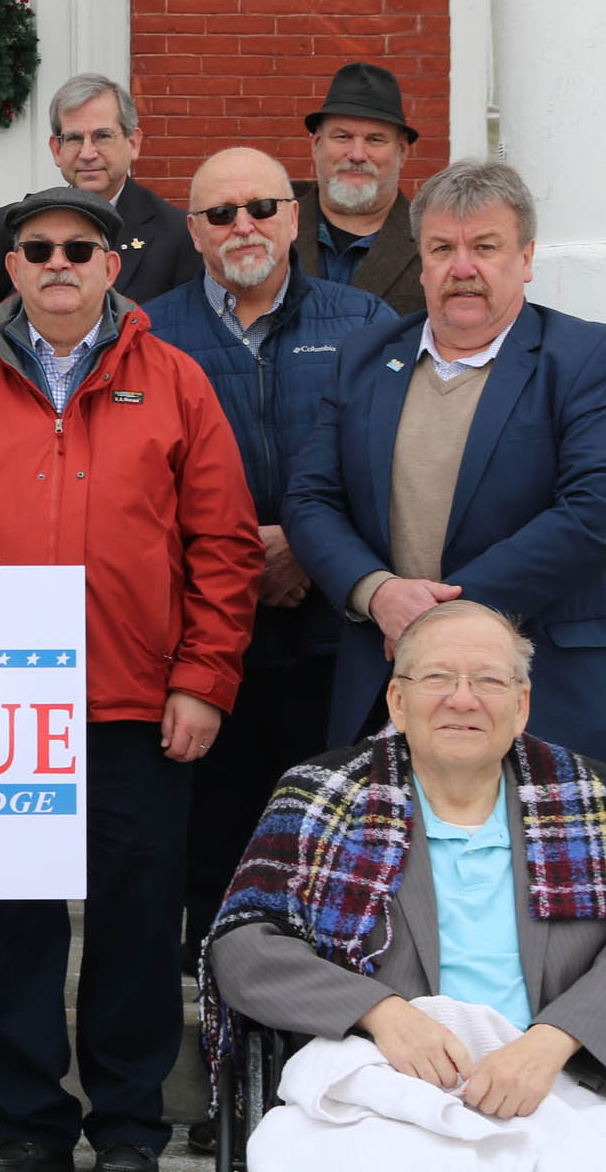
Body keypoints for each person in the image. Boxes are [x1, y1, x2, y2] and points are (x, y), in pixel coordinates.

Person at [0, 185, 260, 1172]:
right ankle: (28, 1125)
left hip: (137, 703)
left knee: (136, 922)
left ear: (111, 266)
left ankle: (129, 1126)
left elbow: (224, 544)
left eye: (79, 248)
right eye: (39, 248)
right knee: (8, 924)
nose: (59, 262)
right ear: (12, 267)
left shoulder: (174, 380)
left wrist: (203, 679)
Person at [201, 602, 606, 1170]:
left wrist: (553, 1041)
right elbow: (246, 945)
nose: (463, 700)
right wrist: (381, 1013)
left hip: (558, 1075)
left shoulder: (594, 797)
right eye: (437, 677)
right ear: (398, 701)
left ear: (520, 705)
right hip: (376, 1076)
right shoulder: (323, 794)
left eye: (489, 680)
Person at [282, 159, 606, 771]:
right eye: (442, 248)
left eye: (485, 246)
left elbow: (598, 512)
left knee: (541, 841)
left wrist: (436, 619)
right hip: (392, 688)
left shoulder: (590, 357)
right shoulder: (365, 357)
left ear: (526, 257)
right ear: (422, 261)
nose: (462, 268)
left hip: (547, 693)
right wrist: (378, 593)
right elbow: (310, 499)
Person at [141, 148, 396, 994]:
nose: (242, 226)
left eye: (261, 208)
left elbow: (389, 461)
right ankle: (219, 995)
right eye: (220, 214)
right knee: (213, 837)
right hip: (206, 637)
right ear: (194, 232)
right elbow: (134, 485)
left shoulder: (363, 320)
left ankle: (331, 995)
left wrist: (310, 551)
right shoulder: (147, 332)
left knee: (327, 830)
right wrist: (239, 559)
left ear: (294, 218)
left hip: (331, 632)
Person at [0, 74, 199, 320]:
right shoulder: (1, 229)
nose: (87, 153)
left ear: (133, 143)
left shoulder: (178, 235)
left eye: (102, 136)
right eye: (74, 138)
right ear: (56, 149)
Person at [293, 62, 423, 315]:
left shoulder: (432, 243)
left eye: (375, 139)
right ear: (316, 145)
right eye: (343, 137)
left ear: (402, 152)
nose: (357, 155)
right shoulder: (270, 229)